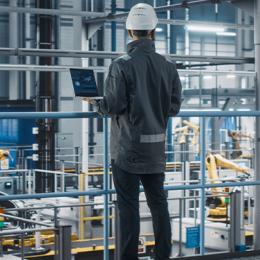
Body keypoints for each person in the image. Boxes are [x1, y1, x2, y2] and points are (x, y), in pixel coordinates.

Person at [81, 3, 182, 260]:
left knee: (128, 207)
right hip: (156, 150)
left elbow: (113, 106)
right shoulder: (168, 66)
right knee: (159, 204)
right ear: (154, 31)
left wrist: (94, 102)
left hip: (127, 151)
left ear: (129, 33)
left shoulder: (121, 64)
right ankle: (163, 255)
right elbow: (173, 107)